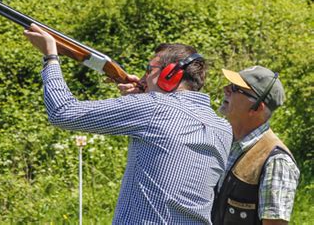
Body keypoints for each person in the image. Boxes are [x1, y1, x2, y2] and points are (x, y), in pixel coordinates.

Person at [24, 24, 232, 224]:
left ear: (171, 74)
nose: (142, 76)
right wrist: (146, 94)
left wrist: (50, 56)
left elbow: (63, 112)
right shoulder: (222, 128)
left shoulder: (154, 108)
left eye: (149, 69)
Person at [212, 66, 300, 225]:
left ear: (257, 107)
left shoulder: (277, 161)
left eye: (235, 88)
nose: (226, 90)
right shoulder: (224, 141)